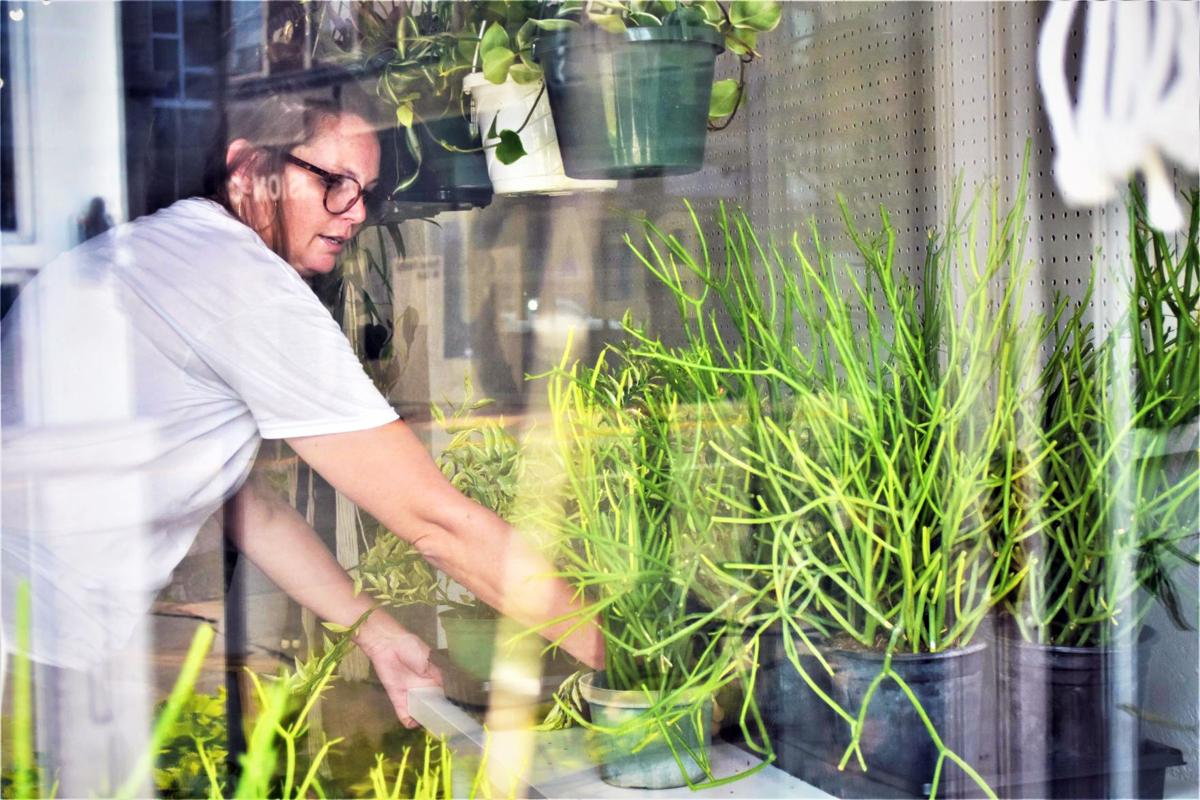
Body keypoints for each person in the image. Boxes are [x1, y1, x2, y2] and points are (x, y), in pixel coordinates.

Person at [0, 84, 602, 795]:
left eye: (365, 192)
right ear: (248, 171)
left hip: (42, 637)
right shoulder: (238, 284)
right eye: (333, 182)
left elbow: (246, 506)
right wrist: (627, 661)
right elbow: (437, 525)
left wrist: (373, 629)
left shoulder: (166, 250)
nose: (355, 212)